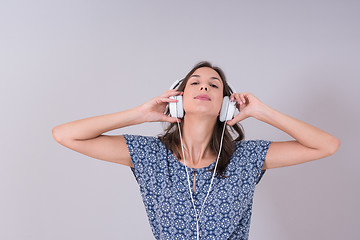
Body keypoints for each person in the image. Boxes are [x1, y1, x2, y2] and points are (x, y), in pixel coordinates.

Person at [52, 61, 340, 240]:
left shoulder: (246, 158)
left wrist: (263, 112)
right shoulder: (150, 156)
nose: (205, 87)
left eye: (214, 85)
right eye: (196, 83)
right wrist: (140, 113)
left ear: (225, 106)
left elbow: (327, 145)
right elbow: (65, 135)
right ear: (178, 99)